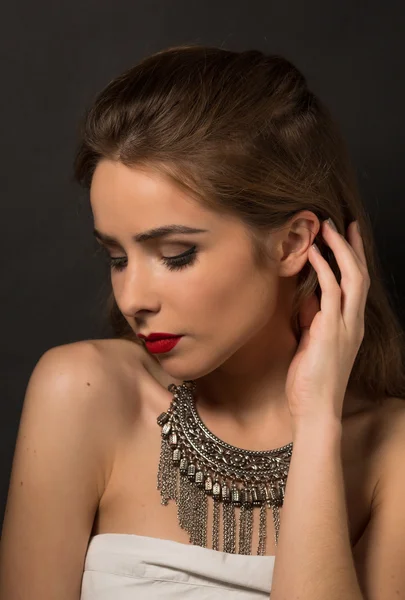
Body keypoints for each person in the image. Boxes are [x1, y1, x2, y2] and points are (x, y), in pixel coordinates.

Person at [1, 44, 405, 600]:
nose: (131, 298)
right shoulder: (83, 393)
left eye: (175, 254)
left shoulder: (393, 451)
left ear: (292, 243)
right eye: (117, 258)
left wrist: (316, 424)